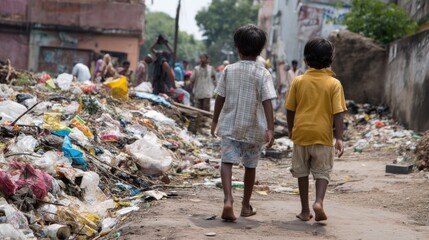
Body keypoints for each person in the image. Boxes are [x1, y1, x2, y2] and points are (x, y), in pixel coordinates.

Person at [211, 24, 277, 222]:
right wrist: (271, 128)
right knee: (250, 166)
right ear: (260, 50)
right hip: (254, 128)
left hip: (230, 125)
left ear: (237, 48)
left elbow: (219, 98)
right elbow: (268, 102)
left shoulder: (229, 70)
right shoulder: (263, 73)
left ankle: (228, 199)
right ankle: (246, 206)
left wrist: (215, 121)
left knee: (227, 162)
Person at [284, 37, 347, 222]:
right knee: (322, 172)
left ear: (305, 60)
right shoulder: (334, 84)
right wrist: (340, 138)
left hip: (301, 133)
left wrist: (291, 130)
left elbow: (290, 109)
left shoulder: (298, 81)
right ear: (330, 60)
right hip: (323, 136)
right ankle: (318, 202)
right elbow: (339, 114)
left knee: (301, 172)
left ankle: (305, 210)